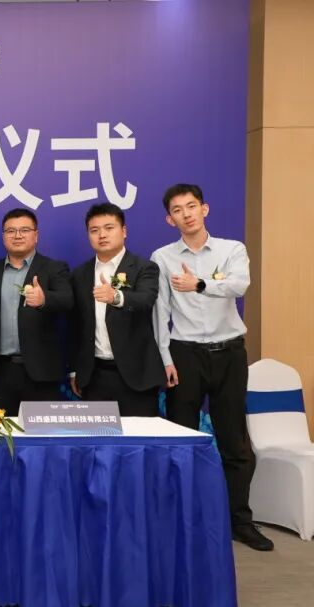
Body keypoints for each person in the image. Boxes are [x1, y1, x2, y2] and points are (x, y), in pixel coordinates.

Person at [151, 183, 271, 551]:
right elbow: (161, 312)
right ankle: (180, 519)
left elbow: (240, 285)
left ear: (204, 209)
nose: (186, 214)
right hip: (184, 355)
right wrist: (165, 358)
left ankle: (240, 521)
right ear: (169, 220)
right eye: (177, 210)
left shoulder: (231, 250)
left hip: (229, 353)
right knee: (181, 440)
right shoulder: (163, 257)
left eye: (191, 206)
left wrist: (199, 284)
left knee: (234, 442)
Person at [70, 203, 164, 416]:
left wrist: (116, 297)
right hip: (94, 376)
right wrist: (75, 370)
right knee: (98, 437)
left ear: (124, 231)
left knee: (139, 436)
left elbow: (146, 300)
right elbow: (76, 326)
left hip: (136, 375)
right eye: (94, 230)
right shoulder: (80, 274)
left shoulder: (144, 267)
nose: (102, 235)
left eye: (109, 228)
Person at [0, 209, 73, 416]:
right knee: (0, 432)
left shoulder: (54, 268)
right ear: (3, 236)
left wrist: (44, 299)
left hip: (41, 372)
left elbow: (68, 300)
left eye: (24, 230)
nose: (17, 235)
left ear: (36, 235)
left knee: (42, 434)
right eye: (11, 231)